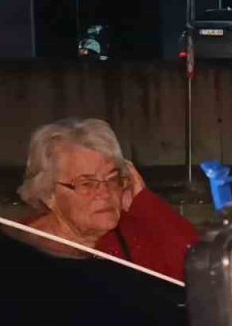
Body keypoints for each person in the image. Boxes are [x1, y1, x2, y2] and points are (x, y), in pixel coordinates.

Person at [18, 118, 198, 281]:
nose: (105, 193)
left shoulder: (136, 232)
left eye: (112, 180)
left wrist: (145, 203)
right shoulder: (20, 245)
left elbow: (202, 271)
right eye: (86, 184)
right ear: (49, 194)